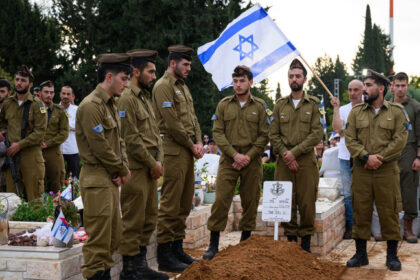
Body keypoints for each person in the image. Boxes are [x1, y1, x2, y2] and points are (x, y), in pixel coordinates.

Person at [203, 66, 269, 260]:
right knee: (221, 200)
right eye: (235, 81)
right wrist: (234, 155)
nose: (238, 85)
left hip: (252, 160)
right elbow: (218, 133)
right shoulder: (223, 105)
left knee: (251, 201)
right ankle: (213, 245)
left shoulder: (260, 106)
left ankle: (245, 242)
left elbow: (264, 134)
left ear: (250, 82)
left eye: (242, 81)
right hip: (229, 161)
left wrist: (248, 156)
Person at [345, 69, 408, 271]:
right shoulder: (356, 112)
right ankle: (361, 254)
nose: (364, 89)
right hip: (362, 170)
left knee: (388, 212)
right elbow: (350, 139)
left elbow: (400, 140)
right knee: (360, 212)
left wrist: (379, 158)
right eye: (364, 85)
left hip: (386, 171)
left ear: (381, 88)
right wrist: (365, 157)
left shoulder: (396, 112)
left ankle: (391, 256)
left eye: (369, 85)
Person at [76, 53, 132, 279]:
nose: (127, 84)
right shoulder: (91, 106)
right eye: (124, 79)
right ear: (109, 76)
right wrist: (122, 170)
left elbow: (119, 142)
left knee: (113, 237)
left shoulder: (111, 104)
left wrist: (122, 168)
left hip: (109, 178)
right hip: (96, 179)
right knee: (99, 241)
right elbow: (100, 147)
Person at [118, 49, 168, 280]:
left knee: (149, 219)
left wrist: (158, 161)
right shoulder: (127, 98)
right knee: (133, 220)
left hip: (150, 168)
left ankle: (140, 266)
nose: (154, 76)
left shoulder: (144, 98)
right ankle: (129, 271)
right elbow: (131, 138)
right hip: (137, 169)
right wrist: (152, 163)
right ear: (136, 72)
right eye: (150, 71)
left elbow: (153, 134)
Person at [153, 45, 203, 273]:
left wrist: (199, 141)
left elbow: (192, 118)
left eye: (189, 65)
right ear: (172, 63)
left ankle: (177, 248)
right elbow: (172, 122)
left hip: (186, 151)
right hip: (173, 150)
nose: (188, 68)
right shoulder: (163, 86)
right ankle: (165, 255)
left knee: (184, 203)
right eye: (185, 64)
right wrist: (192, 144)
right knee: (171, 204)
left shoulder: (182, 87)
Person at [269, 59, 323, 253]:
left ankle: (306, 247)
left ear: (305, 79)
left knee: (307, 203)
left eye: (298, 76)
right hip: (284, 162)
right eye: (291, 76)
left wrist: (295, 153)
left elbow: (317, 133)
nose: (294, 79)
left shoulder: (314, 105)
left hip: (306, 161)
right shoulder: (280, 105)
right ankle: (292, 245)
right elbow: (273, 134)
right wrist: (285, 154)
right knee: (286, 202)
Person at [0, 66, 47, 201]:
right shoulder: (8, 103)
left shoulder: (38, 105)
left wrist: (19, 145)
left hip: (30, 156)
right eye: (17, 79)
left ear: (30, 84)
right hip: (11, 156)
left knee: (35, 198)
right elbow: (2, 122)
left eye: (23, 80)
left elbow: (39, 133)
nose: (19, 83)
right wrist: (2, 132)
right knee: (11, 200)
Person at [330, 79, 363, 239]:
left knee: (364, 193)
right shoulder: (343, 109)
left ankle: (364, 226)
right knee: (348, 194)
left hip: (363, 156)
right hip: (345, 156)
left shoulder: (367, 108)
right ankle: (351, 226)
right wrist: (336, 109)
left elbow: (346, 130)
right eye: (350, 90)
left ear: (362, 91)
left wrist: (345, 129)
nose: (352, 93)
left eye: (356, 90)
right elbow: (337, 128)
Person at [391, 72, 420, 244]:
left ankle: (408, 229)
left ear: (407, 86)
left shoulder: (415, 107)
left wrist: (418, 157)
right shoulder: (386, 106)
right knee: (389, 190)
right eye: (397, 85)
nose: (400, 89)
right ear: (392, 86)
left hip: (409, 151)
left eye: (403, 85)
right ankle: (392, 228)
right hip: (390, 152)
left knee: (409, 191)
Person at [39, 80, 69, 193]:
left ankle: (59, 209)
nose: (49, 95)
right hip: (35, 150)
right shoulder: (32, 109)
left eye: (51, 92)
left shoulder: (59, 111)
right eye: (46, 92)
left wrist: (48, 143)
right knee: (37, 182)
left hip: (53, 151)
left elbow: (64, 133)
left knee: (58, 183)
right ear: (40, 93)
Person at [60, 85, 81, 179]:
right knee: (58, 177)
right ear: (60, 94)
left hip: (73, 149)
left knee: (74, 179)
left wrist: (62, 124)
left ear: (72, 96)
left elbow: (78, 126)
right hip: (58, 148)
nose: (66, 96)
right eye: (64, 93)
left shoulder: (77, 110)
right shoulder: (54, 108)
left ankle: (75, 194)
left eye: (68, 94)